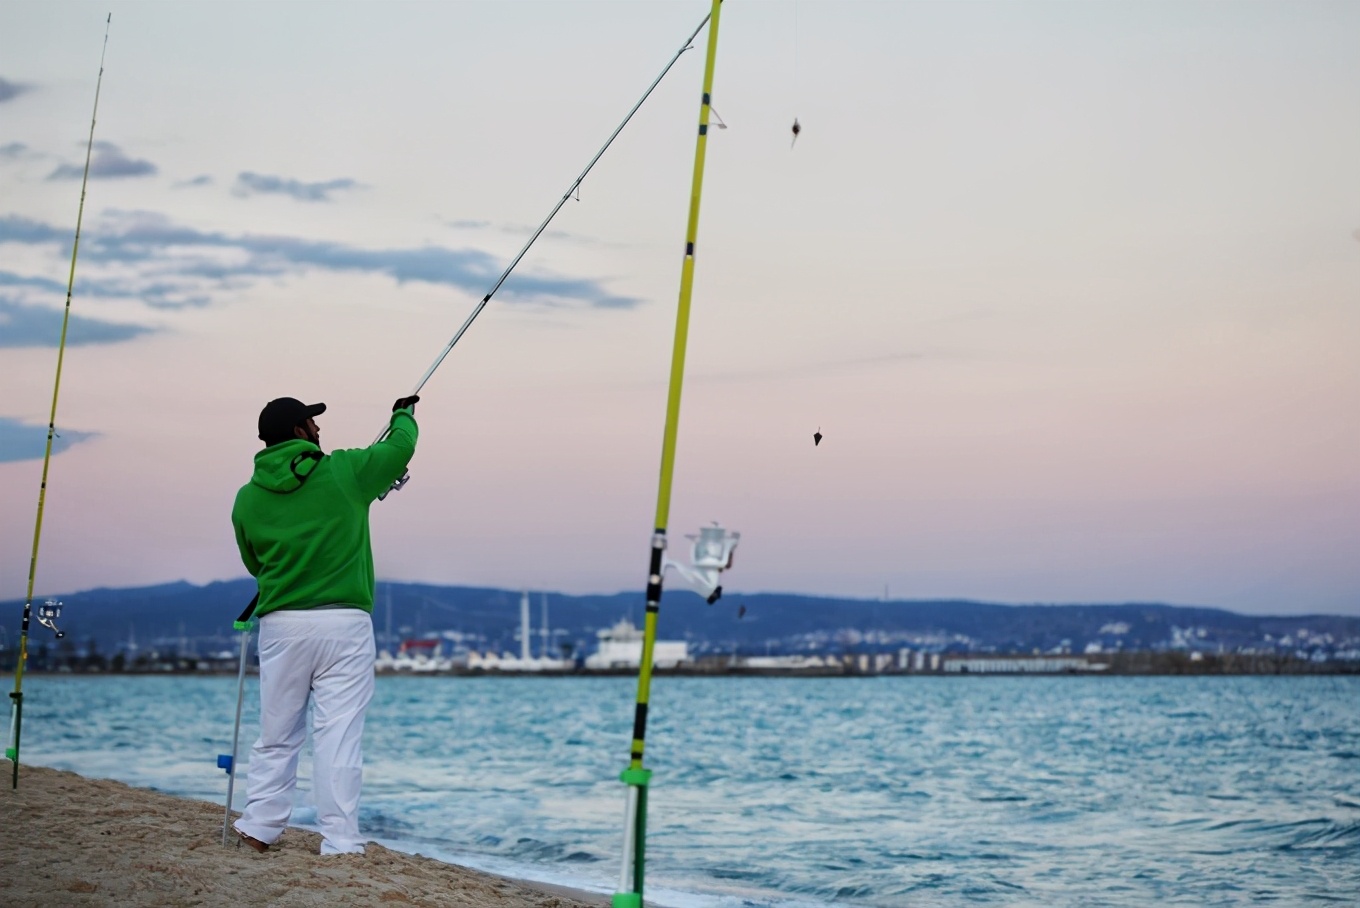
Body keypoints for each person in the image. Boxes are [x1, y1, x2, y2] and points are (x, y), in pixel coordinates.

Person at [230, 394, 419, 855]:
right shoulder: (344, 470)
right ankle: (339, 840)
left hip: (281, 625)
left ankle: (259, 827)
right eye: (312, 423)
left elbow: (255, 562)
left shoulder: (247, 498)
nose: (318, 429)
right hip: (343, 624)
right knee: (338, 733)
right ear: (299, 431)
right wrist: (403, 417)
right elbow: (400, 449)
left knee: (277, 733)